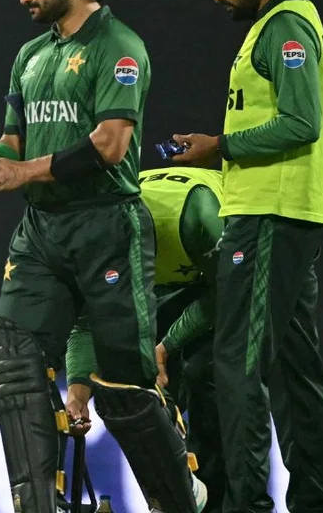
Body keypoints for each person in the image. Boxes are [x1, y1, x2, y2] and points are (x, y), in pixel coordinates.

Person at [0, 0, 206, 513]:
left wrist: (19, 172)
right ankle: (37, 507)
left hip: (107, 224)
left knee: (121, 390)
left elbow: (110, 145)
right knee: (12, 365)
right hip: (42, 231)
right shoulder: (32, 54)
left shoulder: (121, 47)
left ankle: (179, 498)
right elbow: (16, 143)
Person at [173, 0, 323, 513]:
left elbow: (302, 122)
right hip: (284, 214)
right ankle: (317, 503)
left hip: (268, 216)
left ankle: (246, 506)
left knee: (237, 364)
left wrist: (218, 147)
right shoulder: (279, 27)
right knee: (296, 369)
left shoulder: (285, 26)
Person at [65, 166, 226, 512]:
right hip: (163, 280)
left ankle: (220, 501)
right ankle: (173, 492)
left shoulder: (198, 214)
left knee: (203, 373)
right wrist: (78, 392)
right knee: (130, 379)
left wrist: (167, 345)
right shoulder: (94, 240)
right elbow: (86, 323)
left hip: (221, 274)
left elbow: (229, 293)